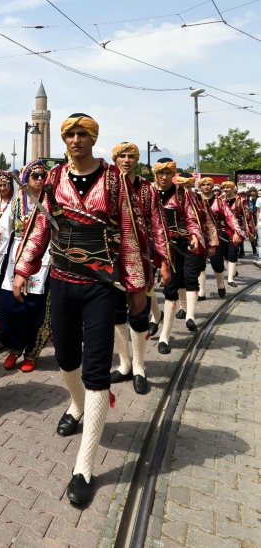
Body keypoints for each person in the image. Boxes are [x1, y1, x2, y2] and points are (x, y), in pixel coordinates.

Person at [13, 114, 149, 508]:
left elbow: (126, 232)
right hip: (61, 280)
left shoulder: (112, 181)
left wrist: (136, 285)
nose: (75, 139)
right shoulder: (54, 178)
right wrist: (24, 268)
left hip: (101, 287)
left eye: (82, 134)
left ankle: (84, 466)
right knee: (65, 358)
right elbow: (42, 226)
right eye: (69, 134)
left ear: (92, 138)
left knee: (94, 369)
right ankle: (77, 404)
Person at [111, 143, 172, 395]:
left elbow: (158, 226)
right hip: (110, 258)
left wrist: (165, 261)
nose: (126, 160)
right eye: (122, 156)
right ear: (115, 159)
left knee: (138, 314)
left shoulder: (148, 189)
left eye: (131, 156)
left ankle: (139, 367)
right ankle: (124, 364)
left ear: (137, 160)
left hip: (139, 258)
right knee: (115, 313)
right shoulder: (107, 186)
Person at [0, 160, 52, 373]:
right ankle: (14, 348)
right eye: (34, 176)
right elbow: (5, 223)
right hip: (17, 255)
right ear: (26, 179)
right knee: (11, 306)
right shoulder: (18, 201)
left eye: (42, 176)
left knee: (36, 307)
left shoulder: (51, 202)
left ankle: (32, 353)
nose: (39, 179)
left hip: (44, 256)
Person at [153, 160, 209, 350]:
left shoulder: (183, 194)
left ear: (173, 174)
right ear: (155, 174)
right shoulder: (148, 192)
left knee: (176, 286)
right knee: (147, 285)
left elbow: (193, 218)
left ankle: (164, 337)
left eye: (168, 173)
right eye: (160, 173)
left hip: (181, 246)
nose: (164, 177)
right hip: (155, 246)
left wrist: (194, 235)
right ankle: (155, 316)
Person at [198, 177, 241, 295]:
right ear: (200, 187)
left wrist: (237, 231)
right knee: (199, 264)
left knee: (217, 264)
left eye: (208, 184)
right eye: (203, 184)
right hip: (199, 235)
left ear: (213, 187)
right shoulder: (195, 200)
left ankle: (220, 283)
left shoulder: (220, 201)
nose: (206, 186)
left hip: (216, 236)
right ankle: (201, 291)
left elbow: (230, 216)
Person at [0, 169, 18, 334]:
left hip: (8, 244)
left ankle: (1, 313)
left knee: (3, 279)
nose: (1, 188)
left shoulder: (15, 202)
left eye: (4, 185)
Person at [221, 182, 253, 281]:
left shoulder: (241, 200)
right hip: (222, 229)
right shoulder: (220, 199)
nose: (226, 189)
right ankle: (233, 271)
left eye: (228, 187)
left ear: (233, 188)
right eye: (224, 188)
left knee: (233, 252)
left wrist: (250, 232)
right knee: (224, 253)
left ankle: (230, 279)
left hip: (236, 229)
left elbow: (247, 215)